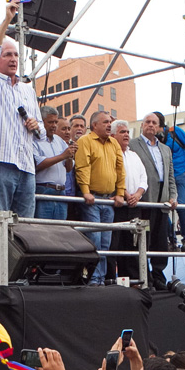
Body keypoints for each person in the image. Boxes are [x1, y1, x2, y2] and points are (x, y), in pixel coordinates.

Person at [0, 0, 44, 217]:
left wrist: (36, 125)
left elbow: (41, 132)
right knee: (0, 224)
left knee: (25, 228)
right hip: (0, 162)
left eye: (16, 54)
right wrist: (7, 20)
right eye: (7, 54)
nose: (13, 59)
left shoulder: (28, 90)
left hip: (26, 165)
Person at [74, 111, 125, 285]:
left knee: (106, 242)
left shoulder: (114, 144)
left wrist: (120, 193)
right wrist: (86, 190)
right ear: (94, 125)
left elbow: (120, 170)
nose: (109, 125)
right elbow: (82, 167)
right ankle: (92, 278)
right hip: (93, 199)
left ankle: (100, 278)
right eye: (105, 122)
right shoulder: (85, 141)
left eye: (110, 122)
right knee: (94, 242)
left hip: (108, 200)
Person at [129, 112, 177, 291]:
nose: (150, 125)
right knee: (144, 240)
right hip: (144, 202)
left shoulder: (165, 149)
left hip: (162, 204)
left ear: (158, 127)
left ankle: (158, 275)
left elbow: (170, 176)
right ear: (142, 125)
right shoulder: (133, 144)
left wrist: (173, 196)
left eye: (154, 123)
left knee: (160, 242)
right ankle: (145, 276)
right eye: (147, 122)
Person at [106, 120, 147, 281]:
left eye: (128, 132)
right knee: (114, 244)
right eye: (122, 132)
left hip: (134, 205)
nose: (126, 135)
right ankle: (111, 280)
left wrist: (137, 194)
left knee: (133, 244)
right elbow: (112, 176)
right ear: (113, 135)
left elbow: (144, 178)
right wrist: (125, 194)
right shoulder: (110, 153)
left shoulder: (134, 155)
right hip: (119, 205)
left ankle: (133, 280)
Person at [153, 112, 185, 252]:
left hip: (182, 174)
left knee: (180, 205)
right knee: (162, 208)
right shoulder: (153, 140)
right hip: (166, 177)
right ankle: (171, 238)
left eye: (156, 125)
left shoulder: (175, 131)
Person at [33, 106, 76, 220]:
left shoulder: (59, 141)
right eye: (50, 122)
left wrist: (70, 155)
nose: (54, 125)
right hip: (44, 190)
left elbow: (68, 168)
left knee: (59, 230)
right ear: (41, 122)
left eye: (56, 122)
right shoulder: (34, 140)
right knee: (44, 230)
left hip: (61, 191)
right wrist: (63, 155)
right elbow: (37, 165)